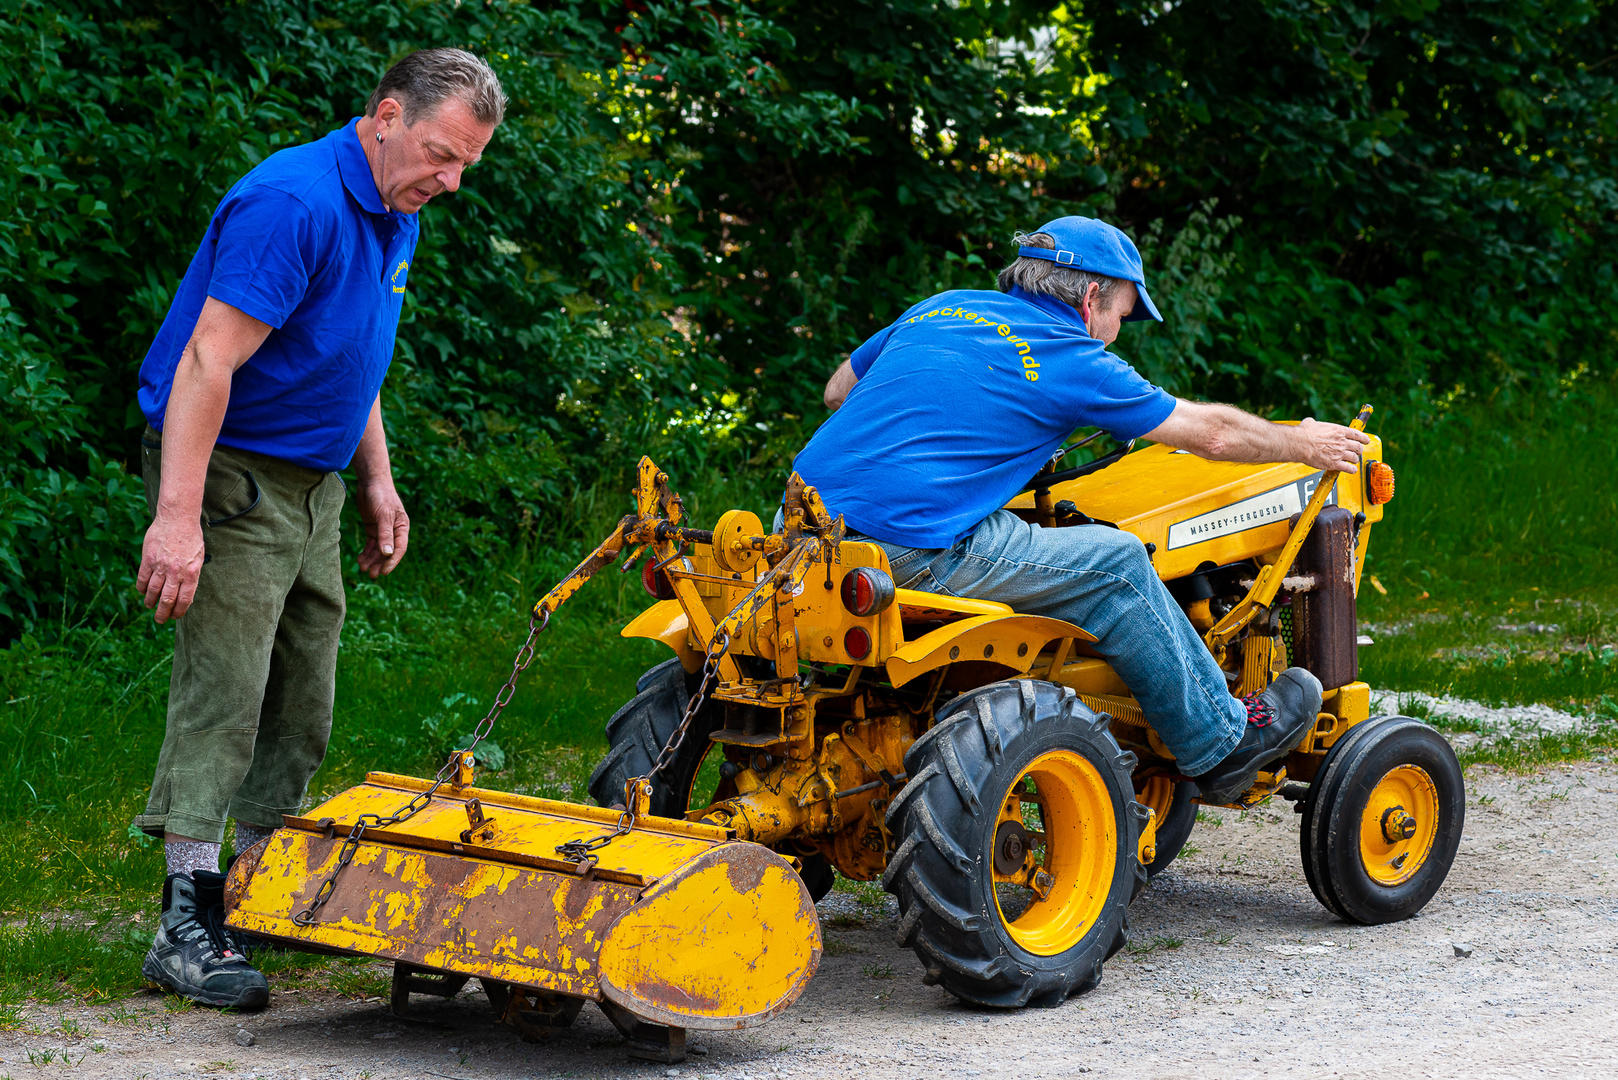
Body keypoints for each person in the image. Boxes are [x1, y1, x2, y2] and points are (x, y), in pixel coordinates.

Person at [131, 49, 506, 1009]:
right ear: (385, 116)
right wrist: (178, 519)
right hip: (233, 475)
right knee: (228, 688)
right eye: (439, 154)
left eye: (466, 164)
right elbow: (208, 363)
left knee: (303, 697)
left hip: (315, 487)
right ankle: (184, 919)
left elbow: (353, 355)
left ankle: (252, 893)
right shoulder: (294, 204)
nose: (450, 180)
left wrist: (377, 480)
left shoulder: (395, 207)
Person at [793, 215, 1371, 804]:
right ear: (1092, 296)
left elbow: (838, 392)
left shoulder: (943, 307)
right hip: (909, 548)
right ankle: (1222, 740)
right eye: (1120, 314)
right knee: (1118, 563)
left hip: (799, 533)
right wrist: (1303, 445)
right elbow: (1213, 435)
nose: (1115, 333)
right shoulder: (1069, 359)